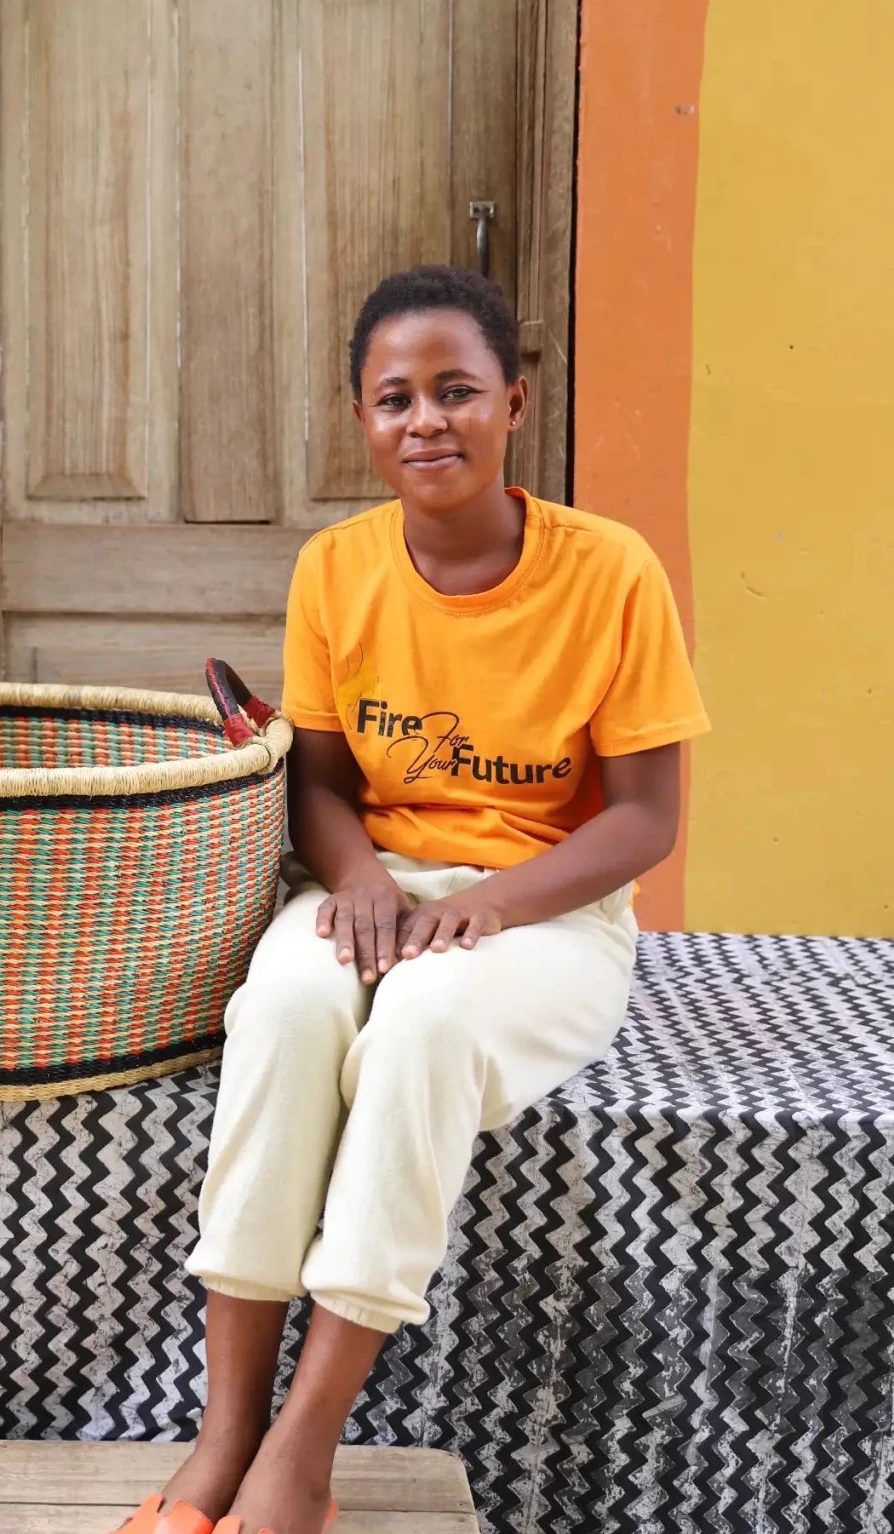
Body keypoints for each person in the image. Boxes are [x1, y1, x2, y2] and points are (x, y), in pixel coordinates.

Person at [107, 264, 710, 1534]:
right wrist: (364, 876)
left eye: (456, 390)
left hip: (546, 909)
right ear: (364, 422)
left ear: (514, 403)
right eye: (395, 399)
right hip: (376, 884)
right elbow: (319, 786)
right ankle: (224, 1433)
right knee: (284, 1013)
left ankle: (303, 1449)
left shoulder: (611, 572)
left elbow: (646, 820)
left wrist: (493, 906)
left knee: (423, 1026)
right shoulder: (337, 568)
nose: (426, 419)